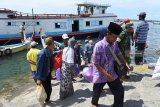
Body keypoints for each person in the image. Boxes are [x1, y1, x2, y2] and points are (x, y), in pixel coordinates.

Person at [91, 22, 130, 107]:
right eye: (114, 37)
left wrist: (125, 62)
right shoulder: (98, 46)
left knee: (120, 91)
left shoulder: (115, 43)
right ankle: (94, 104)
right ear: (107, 34)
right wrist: (106, 74)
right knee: (96, 94)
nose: (116, 39)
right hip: (100, 74)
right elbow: (96, 63)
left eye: (117, 37)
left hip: (111, 73)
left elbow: (118, 53)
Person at [36, 37, 55, 103]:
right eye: (53, 44)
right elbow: (39, 66)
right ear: (49, 45)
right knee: (47, 89)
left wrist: (58, 52)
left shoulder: (50, 51)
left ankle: (47, 100)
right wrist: (38, 78)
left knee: (49, 89)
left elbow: (52, 55)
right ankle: (46, 100)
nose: (54, 46)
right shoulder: (42, 53)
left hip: (48, 73)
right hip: (43, 75)